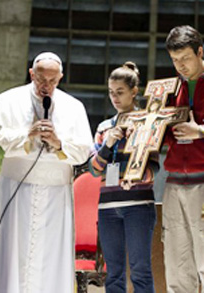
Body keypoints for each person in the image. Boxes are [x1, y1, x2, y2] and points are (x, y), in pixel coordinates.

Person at [0, 52, 93, 293]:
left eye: (53, 81)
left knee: (52, 254)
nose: (47, 86)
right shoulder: (8, 99)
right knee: (13, 250)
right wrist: (27, 135)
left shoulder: (74, 107)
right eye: (41, 79)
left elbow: (85, 150)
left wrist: (59, 142)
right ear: (32, 73)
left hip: (56, 192)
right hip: (16, 187)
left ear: (61, 77)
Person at [88, 62, 159, 293]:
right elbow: (94, 169)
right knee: (113, 273)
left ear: (134, 92)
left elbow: (154, 168)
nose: (114, 98)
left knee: (140, 270)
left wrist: (138, 178)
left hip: (138, 205)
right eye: (111, 92)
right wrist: (108, 144)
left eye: (120, 92)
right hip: (108, 207)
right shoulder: (103, 127)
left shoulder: (148, 123)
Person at [162, 25, 204, 293]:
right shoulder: (170, 87)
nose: (180, 66)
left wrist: (198, 130)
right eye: (175, 61)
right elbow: (164, 136)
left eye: (186, 58)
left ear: (200, 52)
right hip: (174, 181)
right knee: (177, 261)